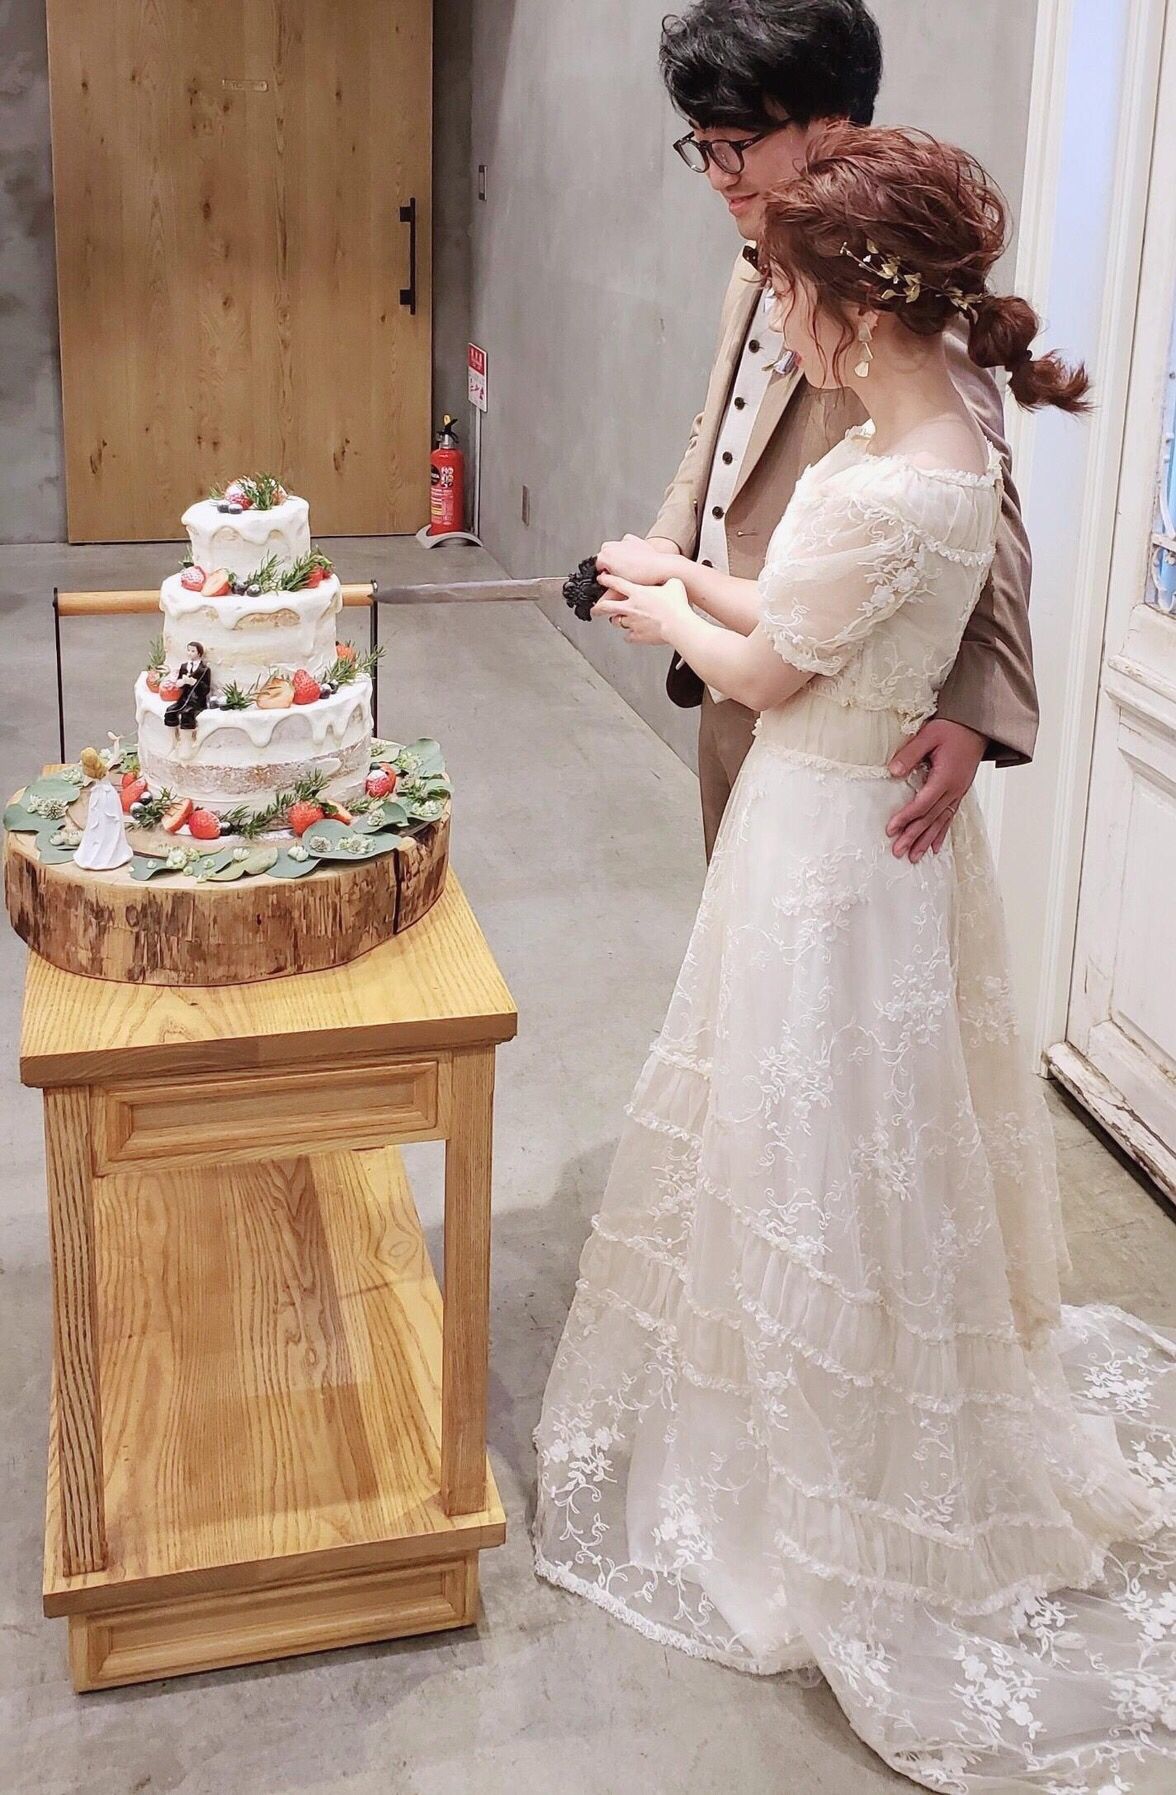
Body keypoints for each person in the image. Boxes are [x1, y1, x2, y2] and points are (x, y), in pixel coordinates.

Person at [533, 124, 1176, 1793]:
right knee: (856, 1138)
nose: (775, 312)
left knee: (818, 1133)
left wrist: (662, 614)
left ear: (859, 305)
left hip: (832, 851)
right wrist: (689, 568)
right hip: (852, 836)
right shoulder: (934, 420)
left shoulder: (903, 475)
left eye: (790, 289)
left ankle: (829, 1465)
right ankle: (854, 1390)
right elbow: (798, 610)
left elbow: (769, 674)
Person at [597, 0, 1035, 863]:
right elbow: (719, 426)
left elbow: (983, 508)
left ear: (831, 127)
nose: (716, 174)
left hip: (826, 715)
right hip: (727, 663)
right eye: (701, 145)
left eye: (736, 143)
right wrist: (669, 546)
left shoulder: (898, 302)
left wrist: (973, 712)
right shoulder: (753, 264)